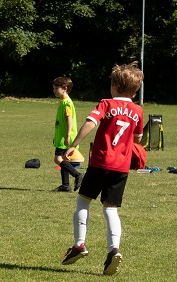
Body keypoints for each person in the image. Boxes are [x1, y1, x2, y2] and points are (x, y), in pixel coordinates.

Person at [60, 62, 144, 276]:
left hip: (100, 162)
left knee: (83, 201)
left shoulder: (107, 103)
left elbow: (90, 123)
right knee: (110, 209)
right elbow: (138, 138)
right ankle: (113, 249)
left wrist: (73, 145)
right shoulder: (137, 110)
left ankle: (80, 245)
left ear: (115, 85)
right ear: (135, 89)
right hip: (121, 167)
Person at [50, 77, 83, 192]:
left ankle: (78, 175)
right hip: (62, 136)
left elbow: (69, 120)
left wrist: (68, 136)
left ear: (64, 88)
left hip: (66, 137)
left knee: (58, 159)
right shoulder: (62, 101)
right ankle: (65, 185)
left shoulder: (67, 103)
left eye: (56, 88)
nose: (54, 90)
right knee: (64, 159)